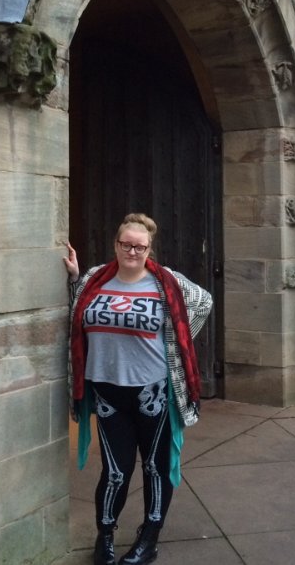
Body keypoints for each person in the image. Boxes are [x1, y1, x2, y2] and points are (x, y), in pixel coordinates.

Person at [64, 213, 213, 565]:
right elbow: (76, 313)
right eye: (126, 244)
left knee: (155, 467)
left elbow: (204, 302)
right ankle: (105, 536)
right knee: (115, 472)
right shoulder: (93, 279)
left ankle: (149, 538)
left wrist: (176, 343)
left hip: (153, 392)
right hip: (107, 392)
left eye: (140, 247)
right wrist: (73, 278)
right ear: (116, 245)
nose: (132, 251)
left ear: (149, 249)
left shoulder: (166, 282)